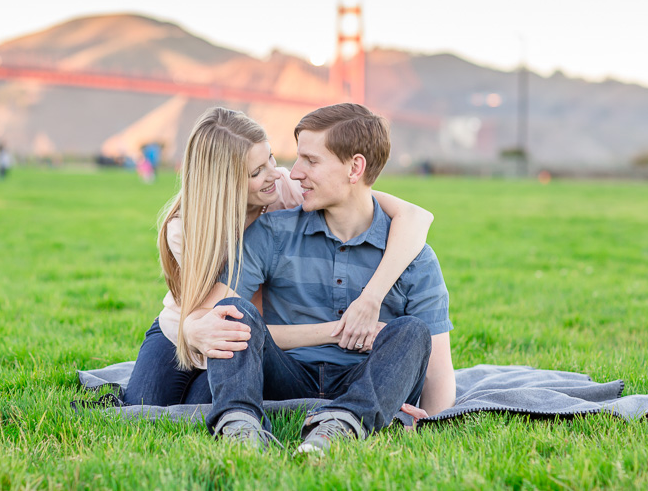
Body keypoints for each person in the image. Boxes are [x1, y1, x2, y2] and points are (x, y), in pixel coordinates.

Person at [124, 107, 436, 408]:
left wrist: (370, 300)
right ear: (225, 182)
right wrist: (192, 331)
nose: (276, 174)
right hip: (190, 323)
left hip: (244, 338)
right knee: (144, 406)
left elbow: (413, 216)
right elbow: (221, 314)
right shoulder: (186, 230)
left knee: (201, 403)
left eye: (271, 158)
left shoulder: (286, 188)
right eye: (257, 172)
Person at [195, 104, 455, 453]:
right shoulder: (271, 233)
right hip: (288, 376)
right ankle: (239, 427)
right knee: (232, 312)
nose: (294, 172)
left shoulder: (413, 257)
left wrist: (433, 422)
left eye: (311, 161)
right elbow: (217, 318)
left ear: (355, 168)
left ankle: (340, 426)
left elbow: (436, 369)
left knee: (411, 332)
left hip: (366, 380)